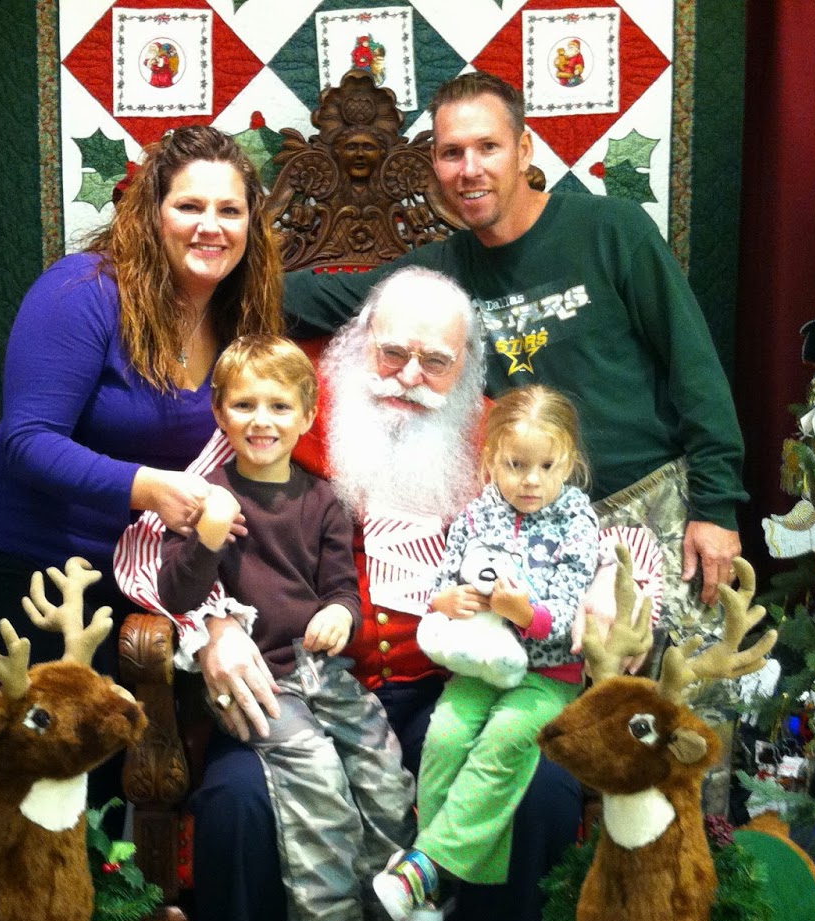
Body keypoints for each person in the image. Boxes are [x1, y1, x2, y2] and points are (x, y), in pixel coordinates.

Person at [117, 266, 662, 921]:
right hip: (292, 689)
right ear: (354, 344)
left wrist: (611, 597)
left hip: (440, 696)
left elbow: (601, 535)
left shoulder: (495, 438)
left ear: (468, 368)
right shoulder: (285, 409)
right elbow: (148, 543)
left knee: (538, 792)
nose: (409, 375)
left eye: (435, 361)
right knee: (239, 805)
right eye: (392, 352)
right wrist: (209, 627)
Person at [0, 123, 282, 921]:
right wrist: (149, 486)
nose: (210, 225)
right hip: (34, 563)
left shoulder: (242, 305)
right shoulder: (83, 292)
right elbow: (26, 439)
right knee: (59, 784)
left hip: (144, 570)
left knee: (131, 776)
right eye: (190, 205)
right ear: (150, 207)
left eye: (230, 209)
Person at [285, 70, 745, 625]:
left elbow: (696, 372)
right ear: (435, 164)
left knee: (687, 678)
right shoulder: (440, 273)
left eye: (488, 147)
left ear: (524, 150)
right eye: (452, 152)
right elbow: (318, 299)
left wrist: (716, 507)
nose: (469, 169)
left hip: (651, 504)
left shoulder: (613, 229)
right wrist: (212, 269)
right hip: (531, 529)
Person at [156, 334, 436, 921]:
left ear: (307, 416)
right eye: (244, 405)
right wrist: (209, 536)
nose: (262, 420)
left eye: (279, 406)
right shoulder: (207, 499)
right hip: (260, 682)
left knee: (382, 770)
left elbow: (340, 587)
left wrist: (341, 613)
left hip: (324, 672)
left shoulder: (323, 500)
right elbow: (176, 592)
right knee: (316, 774)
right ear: (220, 413)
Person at [375, 385, 599, 921]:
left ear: (569, 460)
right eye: (516, 465)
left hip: (548, 675)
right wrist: (446, 600)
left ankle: (426, 867)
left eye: (546, 466)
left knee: (504, 740)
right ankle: (441, 882)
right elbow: (443, 582)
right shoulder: (477, 515)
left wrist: (524, 613)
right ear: (492, 459)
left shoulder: (577, 520)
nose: (531, 480)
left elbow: (570, 616)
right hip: (478, 664)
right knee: (445, 735)